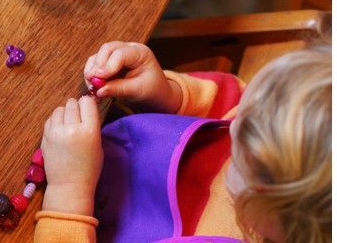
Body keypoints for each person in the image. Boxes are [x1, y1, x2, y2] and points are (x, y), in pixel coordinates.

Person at [33, 39, 331, 242]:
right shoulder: (266, 127)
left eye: (242, 153)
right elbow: (229, 101)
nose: (234, 123)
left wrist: (68, 192)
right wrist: (165, 94)